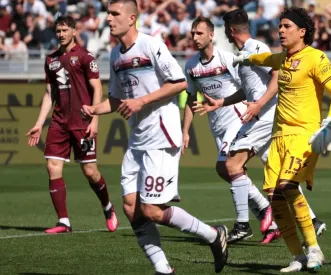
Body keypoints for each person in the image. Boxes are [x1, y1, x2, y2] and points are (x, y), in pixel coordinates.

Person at [80, 0, 228, 273]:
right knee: (130, 207)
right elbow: (115, 99)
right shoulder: (115, 55)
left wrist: (141, 101)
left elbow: (180, 83)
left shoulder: (151, 45)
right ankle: (164, 269)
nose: (109, 19)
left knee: (152, 210)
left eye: (115, 14)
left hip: (161, 135)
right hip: (137, 140)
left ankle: (212, 235)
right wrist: (93, 110)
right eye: (108, 14)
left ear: (132, 18)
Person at [193, 9, 327, 245]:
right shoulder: (245, 53)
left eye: (225, 29)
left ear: (230, 30)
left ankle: (243, 224)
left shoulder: (257, 48)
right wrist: (221, 103)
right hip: (262, 115)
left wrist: (258, 106)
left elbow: (276, 77)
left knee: (231, 164)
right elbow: (249, 89)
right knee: (279, 178)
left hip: (266, 117)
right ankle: (313, 222)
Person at [233, 6, 331, 272]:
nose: (280, 31)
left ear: (302, 31)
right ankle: (297, 256)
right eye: (280, 26)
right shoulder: (283, 59)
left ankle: (314, 249)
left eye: (286, 26)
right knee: (274, 197)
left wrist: (330, 121)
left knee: (287, 186)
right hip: (279, 137)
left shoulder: (316, 58)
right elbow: (264, 59)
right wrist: (244, 60)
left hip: (304, 136)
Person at [182, 16, 279, 244]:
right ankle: (270, 220)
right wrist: (185, 131)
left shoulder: (227, 59)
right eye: (192, 33)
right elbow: (190, 99)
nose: (195, 38)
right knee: (227, 171)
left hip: (237, 119)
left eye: (199, 33)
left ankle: (248, 222)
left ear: (211, 35)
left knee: (229, 167)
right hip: (216, 125)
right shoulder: (191, 66)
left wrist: (254, 107)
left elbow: (246, 87)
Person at [26, 15, 118, 235]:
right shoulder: (50, 60)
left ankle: (107, 207)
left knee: (89, 171)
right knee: (52, 166)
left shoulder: (85, 57)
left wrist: (95, 120)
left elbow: (97, 89)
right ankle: (64, 222)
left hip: (82, 122)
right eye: (58, 31)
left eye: (65, 30)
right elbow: (50, 93)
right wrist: (39, 124)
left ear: (74, 31)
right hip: (59, 121)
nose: (61, 34)